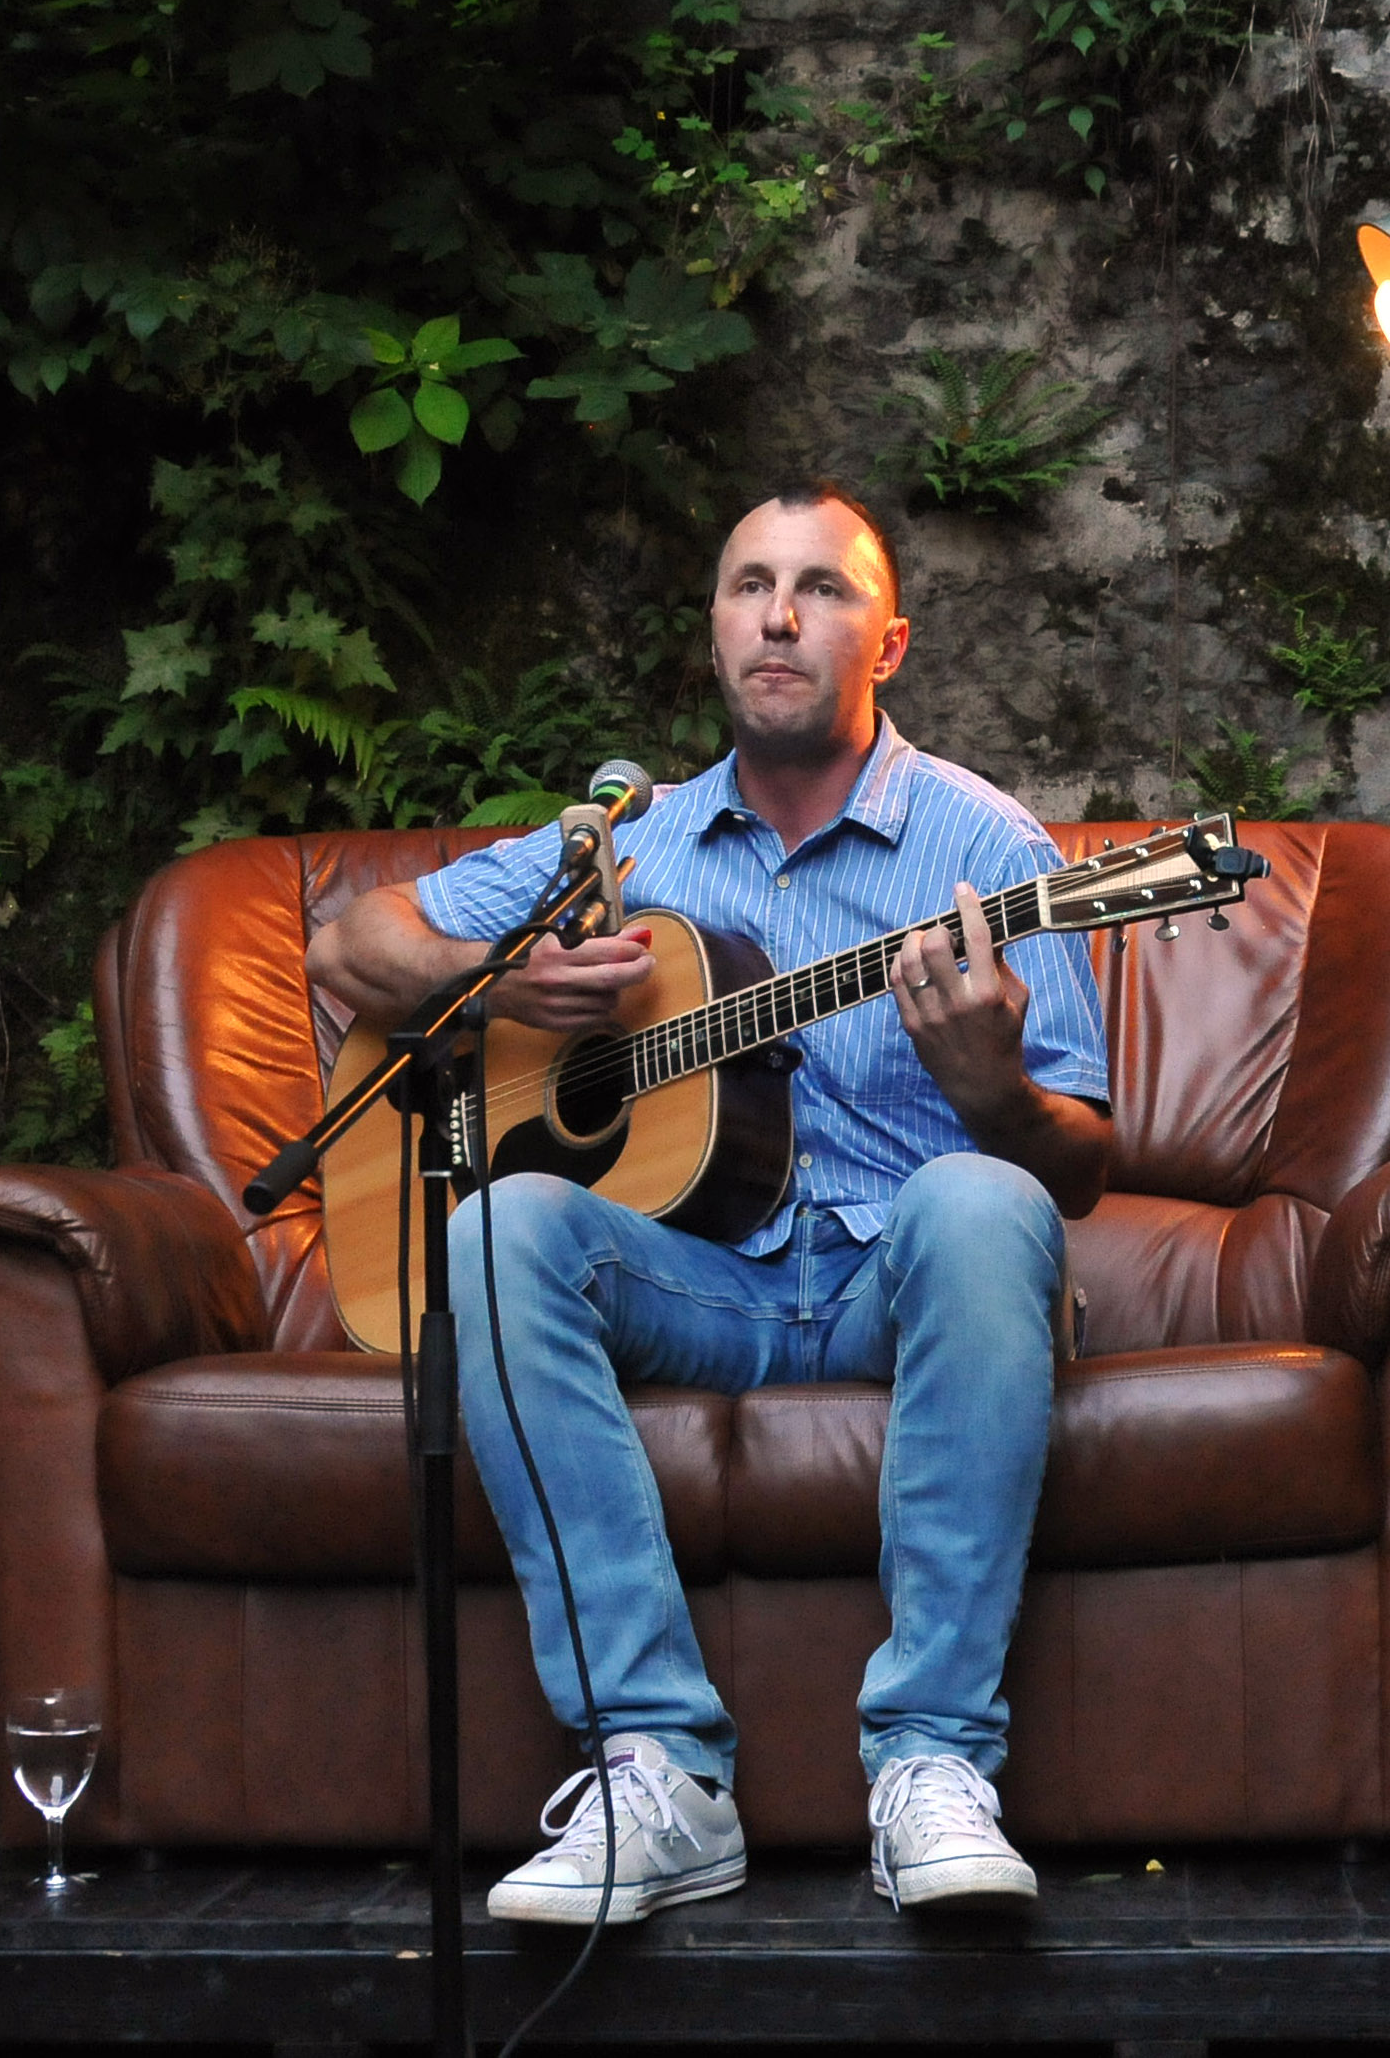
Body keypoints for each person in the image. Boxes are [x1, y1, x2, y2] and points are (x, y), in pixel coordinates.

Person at [302, 483, 1111, 1921]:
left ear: (890, 643)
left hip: (894, 1278)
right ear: (715, 630)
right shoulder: (631, 848)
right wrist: (498, 983)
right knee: (493, 1228)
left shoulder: (991, 853)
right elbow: (347, 941)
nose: (779, 617)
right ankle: (657, 1769)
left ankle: (932, 1764)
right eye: (749, 586)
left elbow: (1079, 1171)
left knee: (981, 1202)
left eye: (822, 588)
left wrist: (991, 1090)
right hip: (698, 1283)